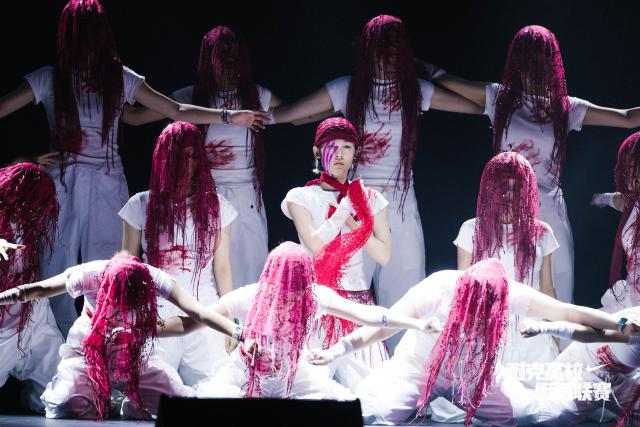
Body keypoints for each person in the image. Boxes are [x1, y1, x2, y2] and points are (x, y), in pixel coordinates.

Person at [0, 0, 266, 337]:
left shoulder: (119, 78)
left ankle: (105, 344)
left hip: (108, 181)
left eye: (93, 31)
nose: (88, 40)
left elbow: (174, 109)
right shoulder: (49, 78)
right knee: (57, 269)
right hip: (64, 180)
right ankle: (58, 350)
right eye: (81, 32)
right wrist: (21, 160)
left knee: (108, 271)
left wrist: (228, 116)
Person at [273, 16, 482, 351]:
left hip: (399, 203)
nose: (390, 54)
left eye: (396, 47)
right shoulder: (348, 88)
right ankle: (334, 362)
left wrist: (435, 72)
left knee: (406, 294)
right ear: (368, 50)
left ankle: (400, 368)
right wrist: (243, 113)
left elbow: (478, 106)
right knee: (345, 291)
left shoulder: (414, 90)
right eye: (383, 46)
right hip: (355, 204)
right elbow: (290, 115)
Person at [430, 24, 640, 305]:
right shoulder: (500, 98)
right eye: (528, 60)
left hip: (548, 207)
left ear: (552, 64)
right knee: (499, 292)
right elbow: (447, 81)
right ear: (518, 62)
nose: (535, 67)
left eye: (542, 60)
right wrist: (421, 67)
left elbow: (627, 118)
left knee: (557, 295)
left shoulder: (565, 107)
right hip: (503, 207)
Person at [308, 259, 640, 426]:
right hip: (418, 367)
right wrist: (339, 349)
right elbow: (384, 326)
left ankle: (607, 389)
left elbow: (568, 312)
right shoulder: (439, 287)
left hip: (476, 375)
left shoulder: (509, 293)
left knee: (534, 415)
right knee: (371, 412)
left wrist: (620, 324)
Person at [157, 242, 439, 400]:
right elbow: (196, 320)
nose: (292, 293)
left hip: (295, 375)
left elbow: (370, 315)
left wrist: (416, 324)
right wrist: (149, 330)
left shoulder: (315, 296)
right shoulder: (250, 295)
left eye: (298, 285)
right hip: (244, 374)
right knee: (210, 400)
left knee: (342, 403)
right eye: (286, 285)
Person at [122, 26, 279, 288]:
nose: (227, 64)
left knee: (250, 274)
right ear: (209, 60)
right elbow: (136, 117)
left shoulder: (256, 95)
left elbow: (292, 114)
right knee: (206, 274)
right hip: (204, 197)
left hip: (245, 197)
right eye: (220, 57)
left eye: (232, 56)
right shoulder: (190, 97)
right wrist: (105, 94)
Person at [0, 252, 242, 420]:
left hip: (134, 354)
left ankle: (127, 403)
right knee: (65, 405)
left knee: (173, 406)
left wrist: (237, 331)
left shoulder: (155, 278)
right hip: (90, 353)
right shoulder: (89, 274)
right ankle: (101, 399)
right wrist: (2, 298)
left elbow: (198, 313)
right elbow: (39, 289)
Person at [120, 121, 237, 387]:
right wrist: (128, 317)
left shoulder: (218, 207)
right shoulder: (140, 204)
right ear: (165, 158)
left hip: (206, 308)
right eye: (180, 156)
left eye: (193, 156)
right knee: (152, 392)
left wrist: (229, 317)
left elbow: (222, 267)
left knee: (215, 388)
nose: (188, 164)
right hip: (156, 310)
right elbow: (126, 266)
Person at [282, 117, 391, 390]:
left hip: (357, 305)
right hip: (316, 302)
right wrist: (343, 210)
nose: (339, 154)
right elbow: (315, 246)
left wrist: (354, 221)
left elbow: (383, 256)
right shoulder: (300, 196)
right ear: (317, 151)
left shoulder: (371, 198)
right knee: (309, 391)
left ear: (355, 153)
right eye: (331, 146)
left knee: (371, 394)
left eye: (347, 147)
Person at [454, 151, 559, 363]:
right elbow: (463, 288)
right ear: (492, 189)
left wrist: (556, 336)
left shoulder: (542, 231)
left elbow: (548, 289)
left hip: (533, 332)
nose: (509, 195)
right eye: (503, 187)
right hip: (488, 331)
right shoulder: (471, 229)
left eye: (516, 188)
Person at [0, 163, 64, 413]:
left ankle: (39, 398)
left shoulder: (29, 228)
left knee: (60, 391)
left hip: (32, 317)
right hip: (4, 323)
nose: (39, 210)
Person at [592, 132, 640, 313]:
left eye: (633, 167)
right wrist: (596, 199)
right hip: (631, 296)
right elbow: (613, 199)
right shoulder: (632, 203)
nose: (628, 173)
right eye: (626, 167)